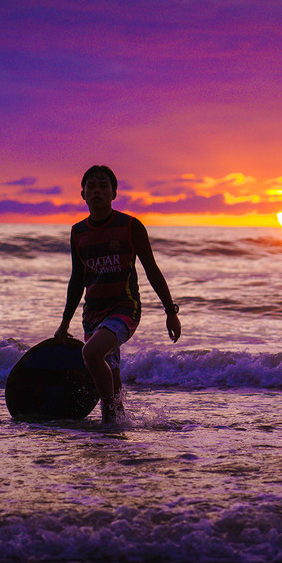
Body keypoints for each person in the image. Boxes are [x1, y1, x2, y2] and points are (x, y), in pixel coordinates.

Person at [54, 164, 181, 426]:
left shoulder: (130, 226)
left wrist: (170, 312)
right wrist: (65, 321)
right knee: (110, 371)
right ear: (82, 194)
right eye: (92, 186)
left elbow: (152, 270)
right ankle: (115, 431)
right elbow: (77, 279)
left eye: (103, 186)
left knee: (91, 354)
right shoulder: (78, 232)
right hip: (92, 315)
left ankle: (111, 419)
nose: (97, 191)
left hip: (125, 308)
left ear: (114, 193)